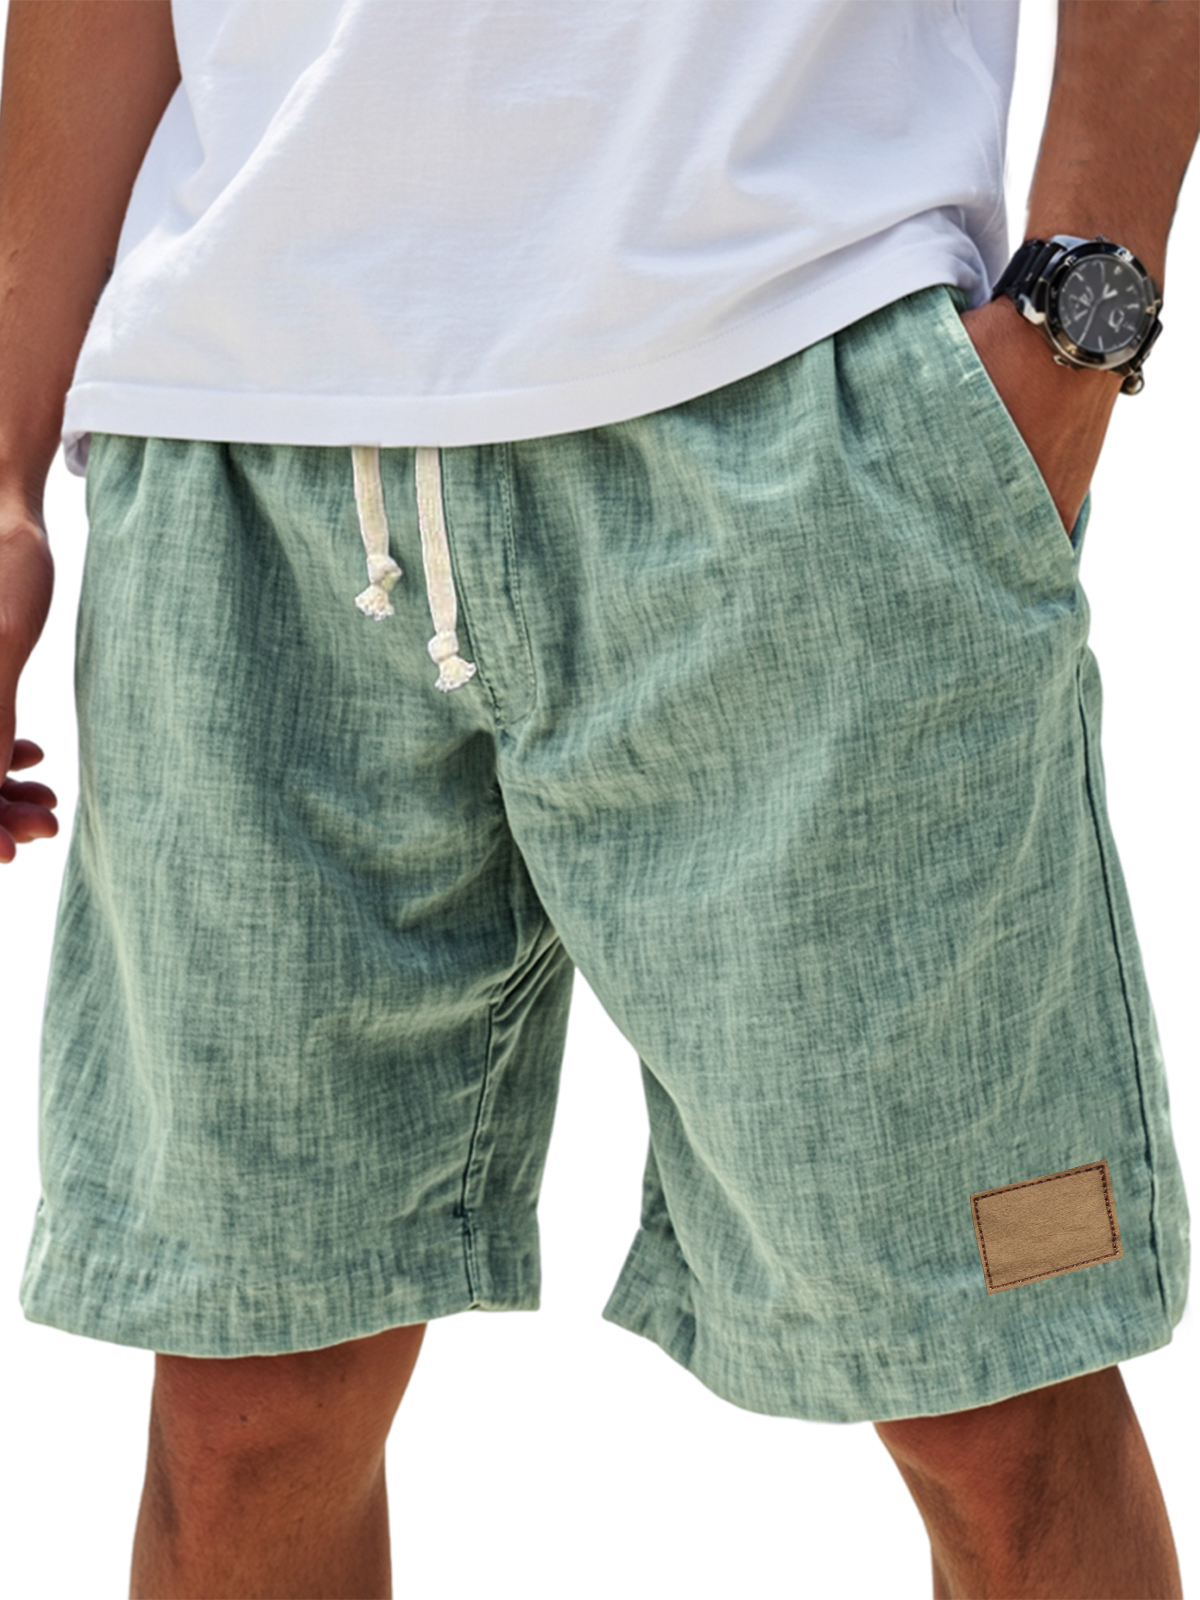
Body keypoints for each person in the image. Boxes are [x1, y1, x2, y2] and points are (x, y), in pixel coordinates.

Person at [1, 1, 1194, 1595]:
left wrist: (1076, 323)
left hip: (793, 394)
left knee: (992, 1387)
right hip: (239, 460)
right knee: (244, 1417)